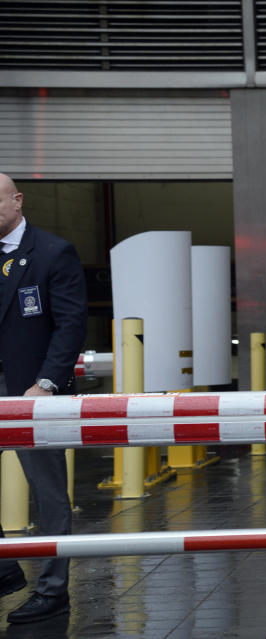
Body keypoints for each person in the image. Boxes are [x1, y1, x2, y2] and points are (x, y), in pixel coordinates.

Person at [0, 173, 87, 622]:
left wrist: (47, 383)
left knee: (49, 492)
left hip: (31, 390)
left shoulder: (53, 252)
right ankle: (4, 570)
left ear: (17, 201)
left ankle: (53, 590)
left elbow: (70, 324)